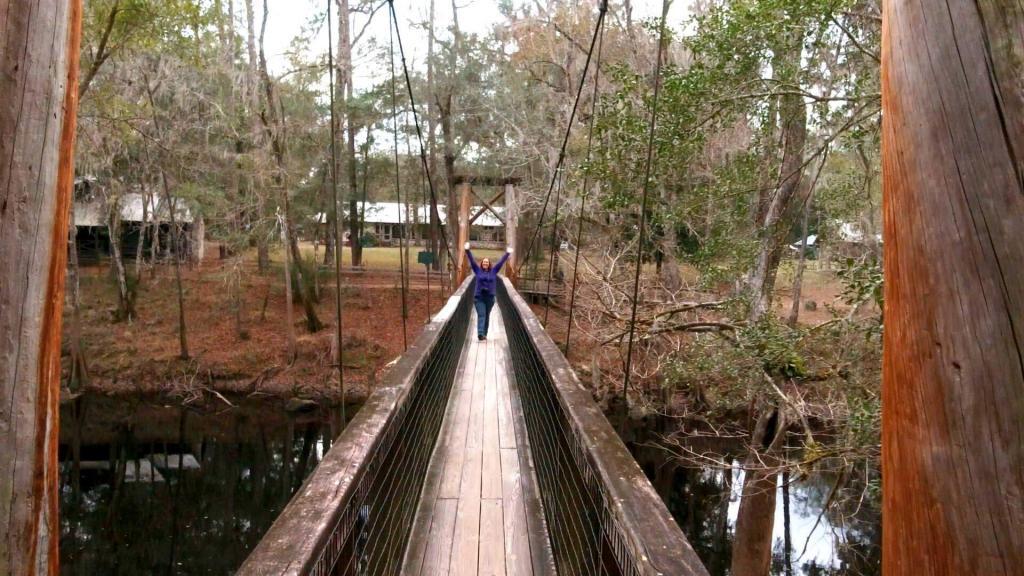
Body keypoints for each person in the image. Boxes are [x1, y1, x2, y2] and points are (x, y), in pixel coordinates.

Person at [465, 242, 512, 341]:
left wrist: (507, 253)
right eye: (484, 262)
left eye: (487, 262)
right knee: (482, 314)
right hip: (479, 297)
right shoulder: (477, 270)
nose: (485, 263)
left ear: (489, 264)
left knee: (487, 316)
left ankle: (484, 334)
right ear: (481, 264)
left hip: (490, 298)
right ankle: (480, 333)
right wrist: (467, 250)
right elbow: (472, 261)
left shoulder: (494, 271)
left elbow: (501, 262)